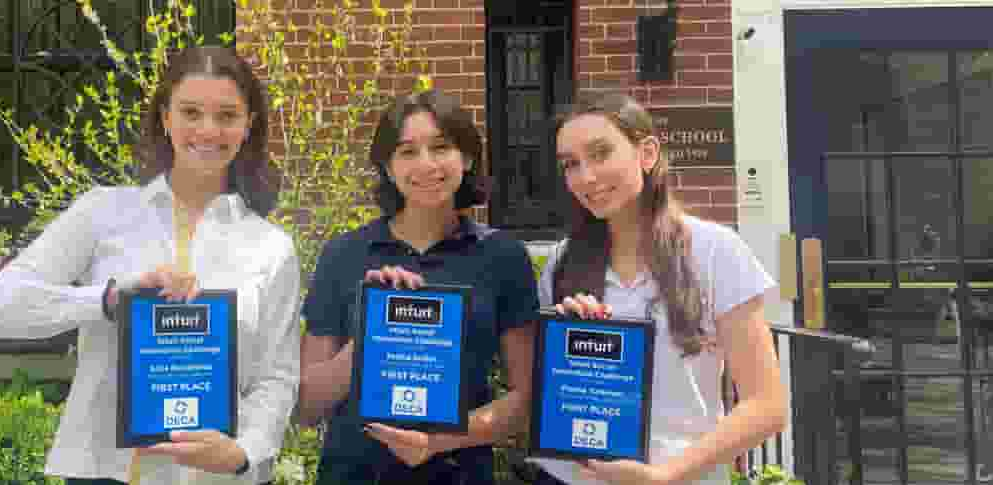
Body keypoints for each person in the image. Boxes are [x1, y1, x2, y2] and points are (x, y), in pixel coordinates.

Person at [0, 45, 301, 485]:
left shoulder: (271, 246)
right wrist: (108, 300)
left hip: (215, 477)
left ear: (248, 125)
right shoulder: (102, 212)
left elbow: (277, 376)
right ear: (165, 118)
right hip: (103, 472)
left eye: (227, 115)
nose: (208, 129)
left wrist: (244, 452)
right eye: (190, 112)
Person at [531, 92, 787, 485]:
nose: (586, 177)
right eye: (571, 164)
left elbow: (767, 405)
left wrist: (665, 475)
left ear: (646, 153)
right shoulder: (563, 260)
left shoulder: (716, 251)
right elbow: (552, 397)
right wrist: (568, 337)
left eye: (600, 154)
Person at [296, 89, 540, 485]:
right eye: (407, 151)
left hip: (459, 475)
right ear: (389, 168)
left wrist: (437, 441)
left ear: (467, 157)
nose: (426, 164)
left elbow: (525, 402)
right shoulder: (343, 255)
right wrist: (370, 337)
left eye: (441, 147)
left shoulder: (502, 257)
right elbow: (307, 407)